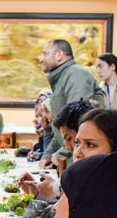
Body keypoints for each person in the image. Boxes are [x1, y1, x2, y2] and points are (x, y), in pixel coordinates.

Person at [37, 39, 105, 167]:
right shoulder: (64, 77)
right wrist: (48, 155)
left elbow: (77, 122)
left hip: (82, 160)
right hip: (73, 158)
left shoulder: (75, 74)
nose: (40, 58)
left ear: (59, 55)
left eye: (45, 53)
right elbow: (61, 129)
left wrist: (59, 155)